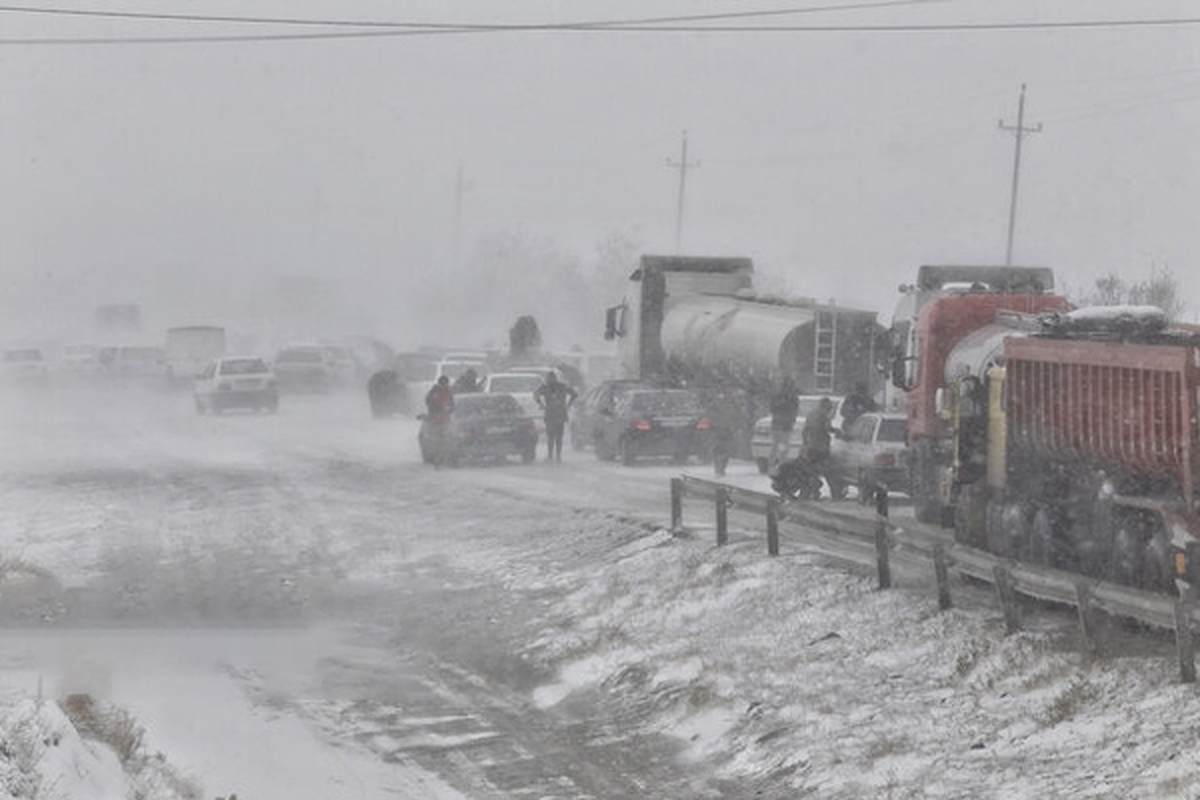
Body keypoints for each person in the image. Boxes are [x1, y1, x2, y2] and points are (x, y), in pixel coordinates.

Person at [800, 396, 843, 499]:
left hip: (811, 447)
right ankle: (835, 494)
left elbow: (805, 430)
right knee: (829, 472)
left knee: (811, 470)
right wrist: (837, 431)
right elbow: (827, 428)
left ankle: (813, 491)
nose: (830, 410)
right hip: (822, 448)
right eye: (829, 408)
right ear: (825, 406)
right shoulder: (824, 416)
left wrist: (806, 443)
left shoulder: (811, 414)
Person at [533, 370, 577, 462]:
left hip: (551, 413)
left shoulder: (546, 387)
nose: (550, 380)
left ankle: (552, 455)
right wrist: (568, 404)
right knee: (558, 436)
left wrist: (541, 404)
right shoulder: (561, 386)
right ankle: (557, 455)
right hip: (559, 413)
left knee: (551, 436)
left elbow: (535, 395)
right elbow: (574, 393)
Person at [768, 377, 800, 473]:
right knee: (783, 447)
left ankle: (773, 466)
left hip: (777, 424)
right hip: (785, 425)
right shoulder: (792, 396)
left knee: (776, 446)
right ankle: (781, 466)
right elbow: (795, 409)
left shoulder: (777, 395)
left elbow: (772, 408)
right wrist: (792, 418)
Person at [424, 376, 455, 468]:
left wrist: (449, 410)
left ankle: (441, 461)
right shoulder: (434, 393)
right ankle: (437, 462)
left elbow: (453, 405)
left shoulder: (448, 393)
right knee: (437, 443)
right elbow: (430, 405)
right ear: (442, 383)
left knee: (446, 443)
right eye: (445, 384)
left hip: (445, 421)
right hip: (436, 422)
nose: (446, 385)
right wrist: (442, 409)